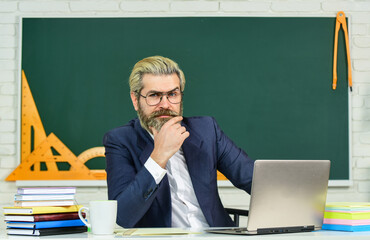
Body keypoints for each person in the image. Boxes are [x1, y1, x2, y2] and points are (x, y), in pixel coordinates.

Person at [103, 56, 254, 228]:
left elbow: (251, 178)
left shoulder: (207, 130)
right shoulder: (120, 141)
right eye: (154, 95)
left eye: (173, 94)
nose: (165, 104)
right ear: (136, 100)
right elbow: (122, 215)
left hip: (217, 236)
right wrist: (158, 157)